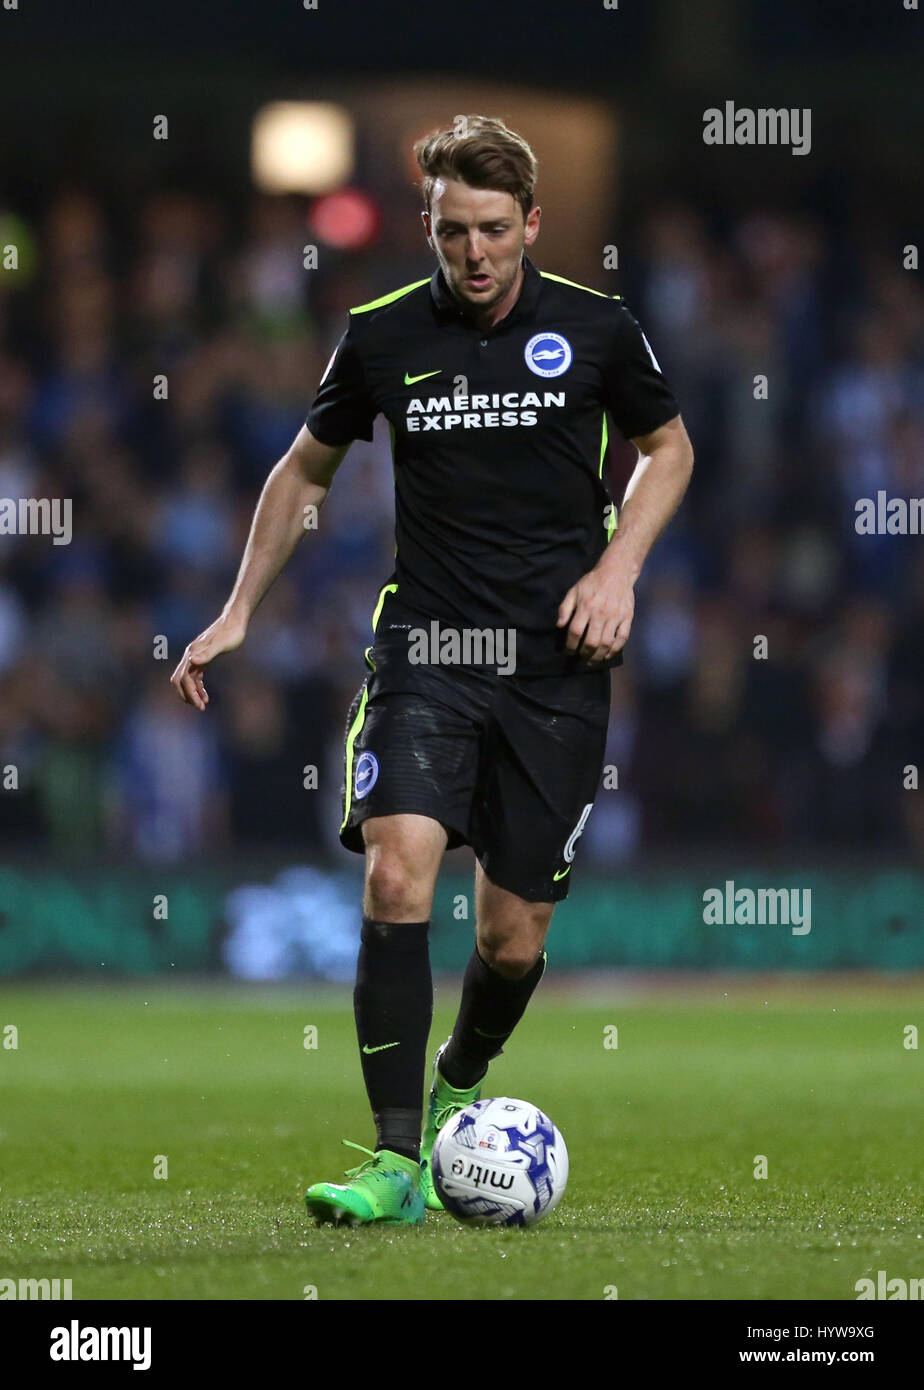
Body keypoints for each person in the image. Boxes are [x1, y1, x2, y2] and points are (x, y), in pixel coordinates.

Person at [171, 114, 694, 1225]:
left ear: (532, 225)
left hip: (555, 662)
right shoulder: (379, 335)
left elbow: (671, 448)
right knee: (399, 870)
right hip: (428, 651)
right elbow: (301, 473)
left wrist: (618, 572)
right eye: (453, 231)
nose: (473, 254)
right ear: (428, 226)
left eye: (495, 230)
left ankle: (461, 1073)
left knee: (511, 936)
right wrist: (235, 611)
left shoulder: (596, 330)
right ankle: (395, 1160)